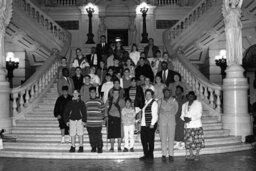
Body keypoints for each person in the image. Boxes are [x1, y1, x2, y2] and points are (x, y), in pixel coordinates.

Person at [181, 91, 205, 161]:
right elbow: (182, 114)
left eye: (192, 96)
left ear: (194, 97)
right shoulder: (184, 105)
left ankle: (197, 155)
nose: (190, 97)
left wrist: (190, 119)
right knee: (189, 141)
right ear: (187, 97)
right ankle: (191, 154)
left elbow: (199, 114)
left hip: (196, 125)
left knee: (197, 141)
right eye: (189, 96)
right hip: (188, 126)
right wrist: (184, 118)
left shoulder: (198, 104)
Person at [158, 87, 178, 162]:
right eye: (165, 92)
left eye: (168, 92)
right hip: (162, 120)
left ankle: (171, 155)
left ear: (170, 93)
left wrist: (170, 114)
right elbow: (158, 110)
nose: (167, 93)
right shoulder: (160, 101)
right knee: (163, 138)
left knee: (171, 138)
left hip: (171, 120)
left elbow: (176, 109)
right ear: (163, 93)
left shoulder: (173, 100)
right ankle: (164, 154)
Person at [139, 89, 158, 161]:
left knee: (150, 140)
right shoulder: (146, 102)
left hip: (150, 125)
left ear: (152, 95)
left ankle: (150, 155)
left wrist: (152, 124)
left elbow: (155, 115)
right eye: (146, 94)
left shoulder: (154, 103)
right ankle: (146, 154)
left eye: (149, 94)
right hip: (144, 124)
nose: (147, 95)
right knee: (144, 140)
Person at [85, 87, 105, 153]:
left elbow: (103, 111)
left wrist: (103, 118)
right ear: (89, 93)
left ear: (96, 93)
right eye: (91, 92)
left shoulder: (100, 101)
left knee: (98, 136)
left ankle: (99, 147)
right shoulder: (87, 102)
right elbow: (84, 112)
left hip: (98, 123)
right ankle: (93, 147)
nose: (92, 93)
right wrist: (84, 121)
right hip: (89, 123)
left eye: (94, 92)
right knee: (91, 136)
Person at [223, 0, 243, 66]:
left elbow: (241, 1)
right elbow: (225, 1)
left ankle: (237, 60)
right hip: (230, 28)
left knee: (237, 44)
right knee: (231, 43)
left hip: (237, 28)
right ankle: (231, 60)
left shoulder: (238, 8)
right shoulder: (228, 8)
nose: (234, 1)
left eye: (236, 0)